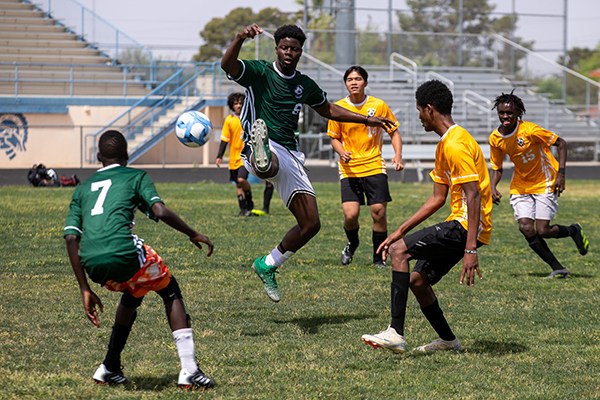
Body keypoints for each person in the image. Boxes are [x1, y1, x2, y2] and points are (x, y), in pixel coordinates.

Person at [221, 24, 397, 302]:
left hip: (291, 153)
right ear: (276, 48)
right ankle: (260, 153)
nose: (289, 52)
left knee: (311, 224)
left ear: (301, 52)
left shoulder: (304, 84)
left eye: (294, 49)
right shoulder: (260, 72)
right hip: (264, 143)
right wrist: (240, 37)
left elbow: (328, 109)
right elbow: (228, 65)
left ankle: (267, 264)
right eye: (284, 47)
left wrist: (366, 119)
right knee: (269, 165)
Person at [64, 130, 215, 389]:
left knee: (135, 290)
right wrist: (193, 233)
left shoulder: (82, 188)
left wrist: (85, 289)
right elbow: (159, 210)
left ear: (98, 156)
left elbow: (70, 238)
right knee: (169, 288)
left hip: (91, 263)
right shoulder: (136, 176)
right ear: (127, 155)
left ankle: (109, 366)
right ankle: (189, 370)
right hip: (123, 254)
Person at [361, 80, 492, 354]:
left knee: (398, 252)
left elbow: (474, 196)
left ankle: (395, 332)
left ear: (430, 109)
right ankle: (448, 341)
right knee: (417, 279)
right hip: (465, 226)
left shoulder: (456, 145)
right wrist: (399, 230)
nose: (419, 116)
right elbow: (437, 198)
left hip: (464, 227)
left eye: (420, 110)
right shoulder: (446, 144)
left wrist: (470, 248)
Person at [489, 91, 589, 279]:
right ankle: (558, 268)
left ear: (518, 113)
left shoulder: (530, 130)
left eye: (509, 113)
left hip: (545, 181)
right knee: (525, 227)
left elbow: (561, 143)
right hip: (520, 185)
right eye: (502, 112)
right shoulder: (495, 138)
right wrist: (493, 186)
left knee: (543, 230)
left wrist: (561, 173)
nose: (505, 116)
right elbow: (497, 167)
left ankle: (573, 230)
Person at [328, 66, 404, 268]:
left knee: (378, 212)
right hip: (349, 169)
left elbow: (394, 132)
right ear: (345, 83)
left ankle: (379, 259)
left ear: (366, 83)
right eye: (350, 79)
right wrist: (341, 151)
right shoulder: (338, 108)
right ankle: (353, 242)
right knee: (350, 215)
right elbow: (334, 138)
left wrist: (397, 155)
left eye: (358, 79)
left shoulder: (378, 106)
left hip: (374, 165)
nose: (354, 82)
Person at [216, 92, 274, 216]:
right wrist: (219, 156)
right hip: (233, 158)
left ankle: (250, 202)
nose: (238, 106)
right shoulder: (229, 120)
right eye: (236, 103)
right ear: (232, 105)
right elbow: (224, 140)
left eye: (241, 103)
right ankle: (243, 209)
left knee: (241, 179)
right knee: (237, 184)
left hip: (245, 156)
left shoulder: (249, 118)